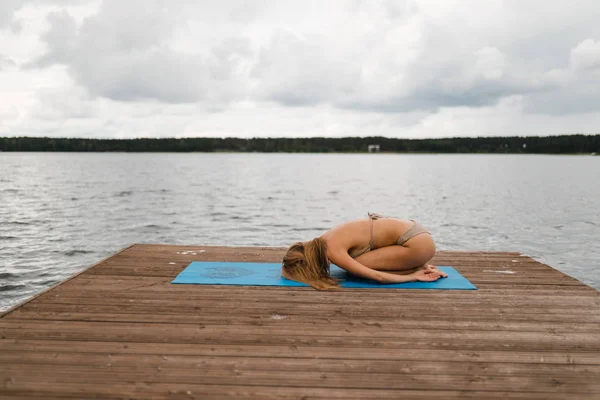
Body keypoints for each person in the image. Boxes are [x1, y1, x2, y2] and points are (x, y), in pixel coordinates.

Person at [282, 212, 447, 290]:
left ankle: (418, 267)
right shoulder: (325, 239)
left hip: (416, 243)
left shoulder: (331, 250)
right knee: (357, 265)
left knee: (358, 269)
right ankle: (419, 264)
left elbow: (378, 277)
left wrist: (412, 277)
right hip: (416, 235)